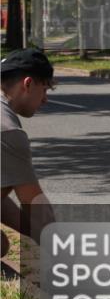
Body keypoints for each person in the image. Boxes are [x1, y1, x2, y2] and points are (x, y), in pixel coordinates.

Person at [1, 49, 57, 267]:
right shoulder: (6, 130)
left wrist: (29, 231)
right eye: (45, 89)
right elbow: (36, 206)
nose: (45, 99)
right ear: (28, 83)